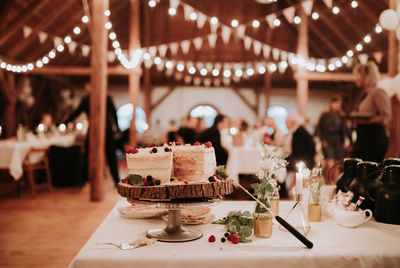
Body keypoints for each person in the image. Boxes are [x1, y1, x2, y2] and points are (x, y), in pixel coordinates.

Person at [65, 83, 120, 186]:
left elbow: (76, 113)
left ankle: (84, 180)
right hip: (102, 130)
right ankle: (115, 180)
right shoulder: (103, 98)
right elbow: (114, 114)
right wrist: (117, 128)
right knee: (105, 156)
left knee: (93, 155)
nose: (86, 89)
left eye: (87, 87)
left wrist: (65, 121)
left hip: (101, 130)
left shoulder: (93, 99)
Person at [351, 61, 391, 163]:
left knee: (368, 172)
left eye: (357, 75)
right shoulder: (365, 94)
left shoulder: (377, 92)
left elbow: (386, 116)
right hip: (363, 136)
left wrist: (365, 121)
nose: (355, 78)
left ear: (365, 76)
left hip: (373, 137)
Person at [316, 97, 347, 184]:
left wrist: (345, 141)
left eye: (338, 104)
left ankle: (335, 183)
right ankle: (328, 181)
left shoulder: (341, 116)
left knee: (337, 165)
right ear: (331, 104)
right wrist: (322, 140)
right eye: (335, 103)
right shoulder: (325, 115)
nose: (337, 106)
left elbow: (345, 130)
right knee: (330, 163)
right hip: (328, 140)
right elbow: (319, 128)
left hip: (338, 141)